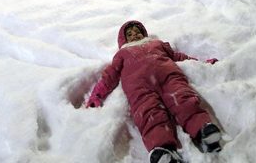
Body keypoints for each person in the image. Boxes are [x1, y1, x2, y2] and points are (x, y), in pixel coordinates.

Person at [86, 20, 222, 163]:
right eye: (130, 34)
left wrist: (202, 63)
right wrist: (97, 95)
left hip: (169, 77)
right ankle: (163, 149)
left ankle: (203, 130)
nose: (135, 35)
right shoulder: (122, 54)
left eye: (138, 32)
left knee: (184, 100)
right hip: (139, 88)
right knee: (149, 113)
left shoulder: (157, 44)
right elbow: (109, 76)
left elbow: (179, 57)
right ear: (123, 40)